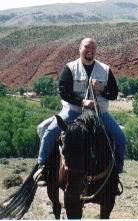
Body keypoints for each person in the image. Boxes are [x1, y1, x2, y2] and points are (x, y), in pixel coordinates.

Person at [33, 37, 127, 191]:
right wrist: (82, 102)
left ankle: (115, 173)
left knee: (120, 138)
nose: (90, 51)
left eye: (93, 49)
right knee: (49, 132)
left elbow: (114, 94)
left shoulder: (105, 70)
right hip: (72, 112)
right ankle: (42, 167)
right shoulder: (70, 68)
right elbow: (64, 92)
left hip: (99, 113)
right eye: (86, 48)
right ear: (80, 49)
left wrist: (102, 89)